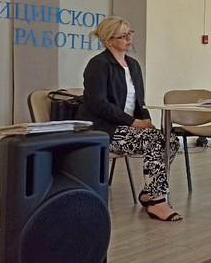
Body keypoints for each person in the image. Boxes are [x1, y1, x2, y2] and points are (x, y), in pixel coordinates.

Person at [77, 16, 182, 222]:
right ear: (109, 40)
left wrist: (146, 122)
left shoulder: (133, 65)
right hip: (103, 129)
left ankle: (149, 192)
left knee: (170, 140)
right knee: (155, 141)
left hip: (126, 127)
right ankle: (157, 202)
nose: (129, 38)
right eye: (123, 35)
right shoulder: (98, 65)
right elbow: (99, 104)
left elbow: (139, 101)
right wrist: (135, 123)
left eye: (129, 33)